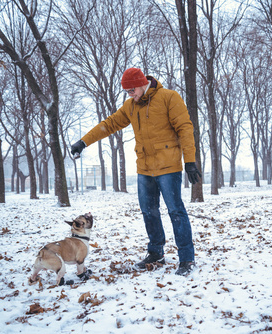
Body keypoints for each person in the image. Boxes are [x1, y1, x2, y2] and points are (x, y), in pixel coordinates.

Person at [71, 68, 201, 276]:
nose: (130, 94)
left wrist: (190, 161)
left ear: (142, 83)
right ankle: (156, 253)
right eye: (127, 92)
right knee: (149, 212)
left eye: (132, 90)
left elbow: (185, 128)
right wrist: (83, 142)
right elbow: (109, 124)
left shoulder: (169, 98)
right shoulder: (130, 107)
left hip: (168, 167)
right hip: (145, 168)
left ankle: (187, 258)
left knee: (176, 212)